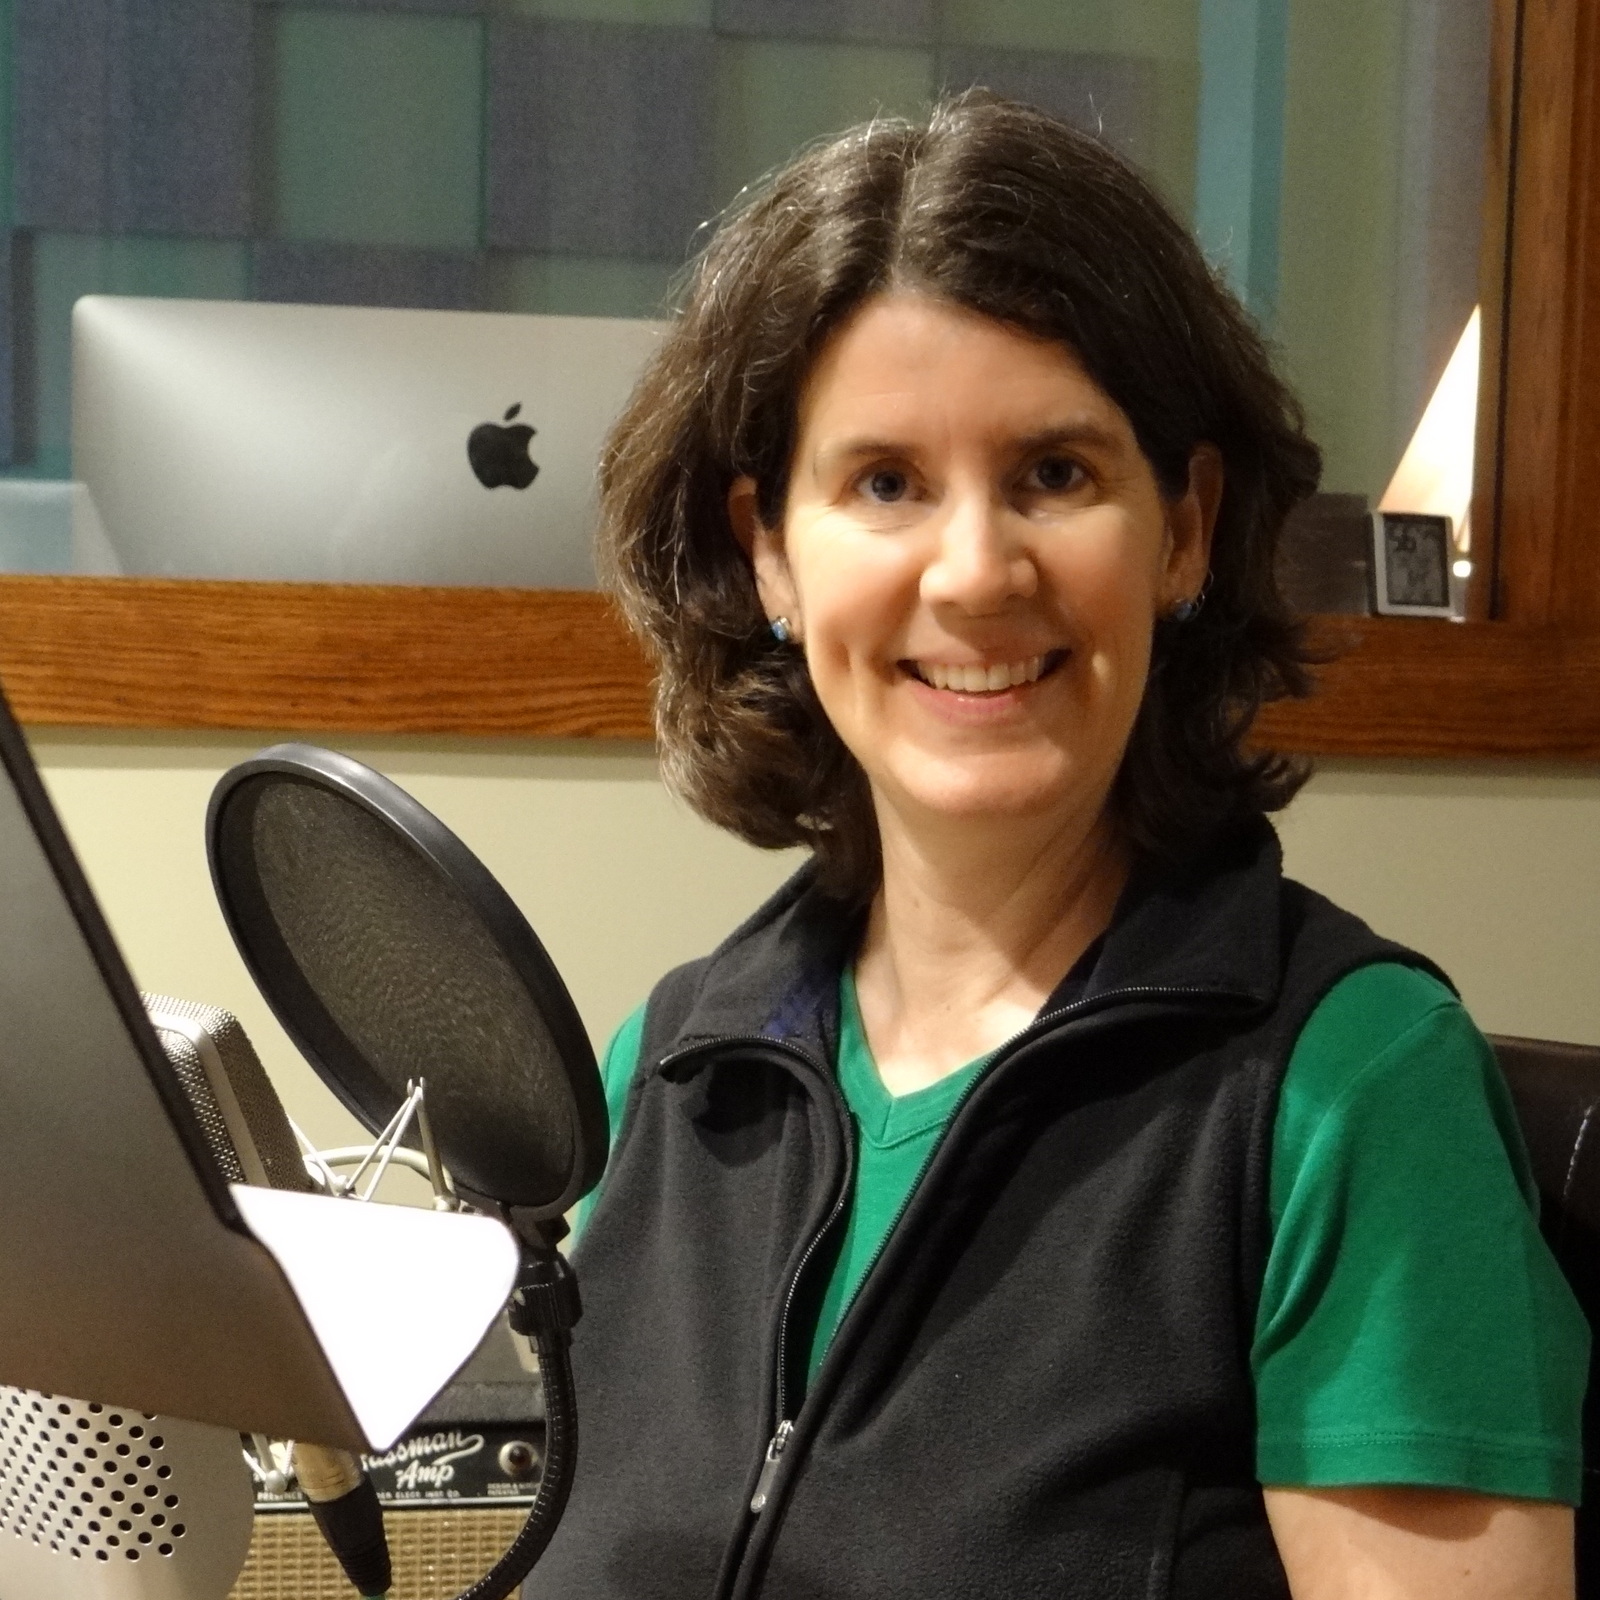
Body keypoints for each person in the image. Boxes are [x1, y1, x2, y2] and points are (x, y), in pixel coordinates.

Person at [528, 93, 1588, 1600]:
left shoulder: (1354, 1089)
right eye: (884, 482)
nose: (974, 573)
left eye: (1056, 475)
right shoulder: (675, 1068)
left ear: (1187, 529)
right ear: (770, 547)